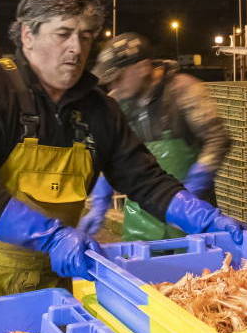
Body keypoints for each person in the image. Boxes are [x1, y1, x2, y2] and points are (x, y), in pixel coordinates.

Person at [0, 0, 243, 310]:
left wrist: (202, 217)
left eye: (85, 36)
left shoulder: (98, 108)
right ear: (28, 35)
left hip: (48, 286)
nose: (77, 48)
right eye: (63, 34)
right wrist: (52, 237)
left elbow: (144, 179)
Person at [81, 33, 230, 240]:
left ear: (142, 67)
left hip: (191, 217)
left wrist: (194, 186)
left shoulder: (184, 90)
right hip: (140, 223)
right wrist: (100, 199)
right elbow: (108, 151)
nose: (113, 86)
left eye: (118, 77)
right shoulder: (115, 103)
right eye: (109, 82)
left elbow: (217, 139)